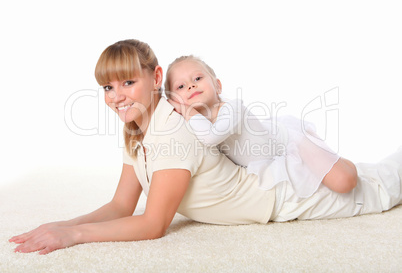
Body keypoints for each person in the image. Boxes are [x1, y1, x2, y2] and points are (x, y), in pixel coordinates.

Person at [9, 39, 402, 255]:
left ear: (155, 77)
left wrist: (75, 237)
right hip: (271, 185)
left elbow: (152, 225)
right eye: (108, 87)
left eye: (127, 83)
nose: (116, 96)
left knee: (380, 187)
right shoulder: (136, 131)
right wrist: (62, 225)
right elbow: (121, 206)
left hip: (282, 197)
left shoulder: (172, 133)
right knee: (374, 173)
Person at [164, 55, 357, 197]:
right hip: (271, 161)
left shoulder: (232, 107)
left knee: (344, 183)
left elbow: (211, 137)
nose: (190, 86)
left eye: (198, 78)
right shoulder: (192, 123)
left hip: (289, 142)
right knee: (318, 184)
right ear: (174, 100)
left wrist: (187, 111)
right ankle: (329, 162)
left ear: (218, 86)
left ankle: (342, 161)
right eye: (180, 86)